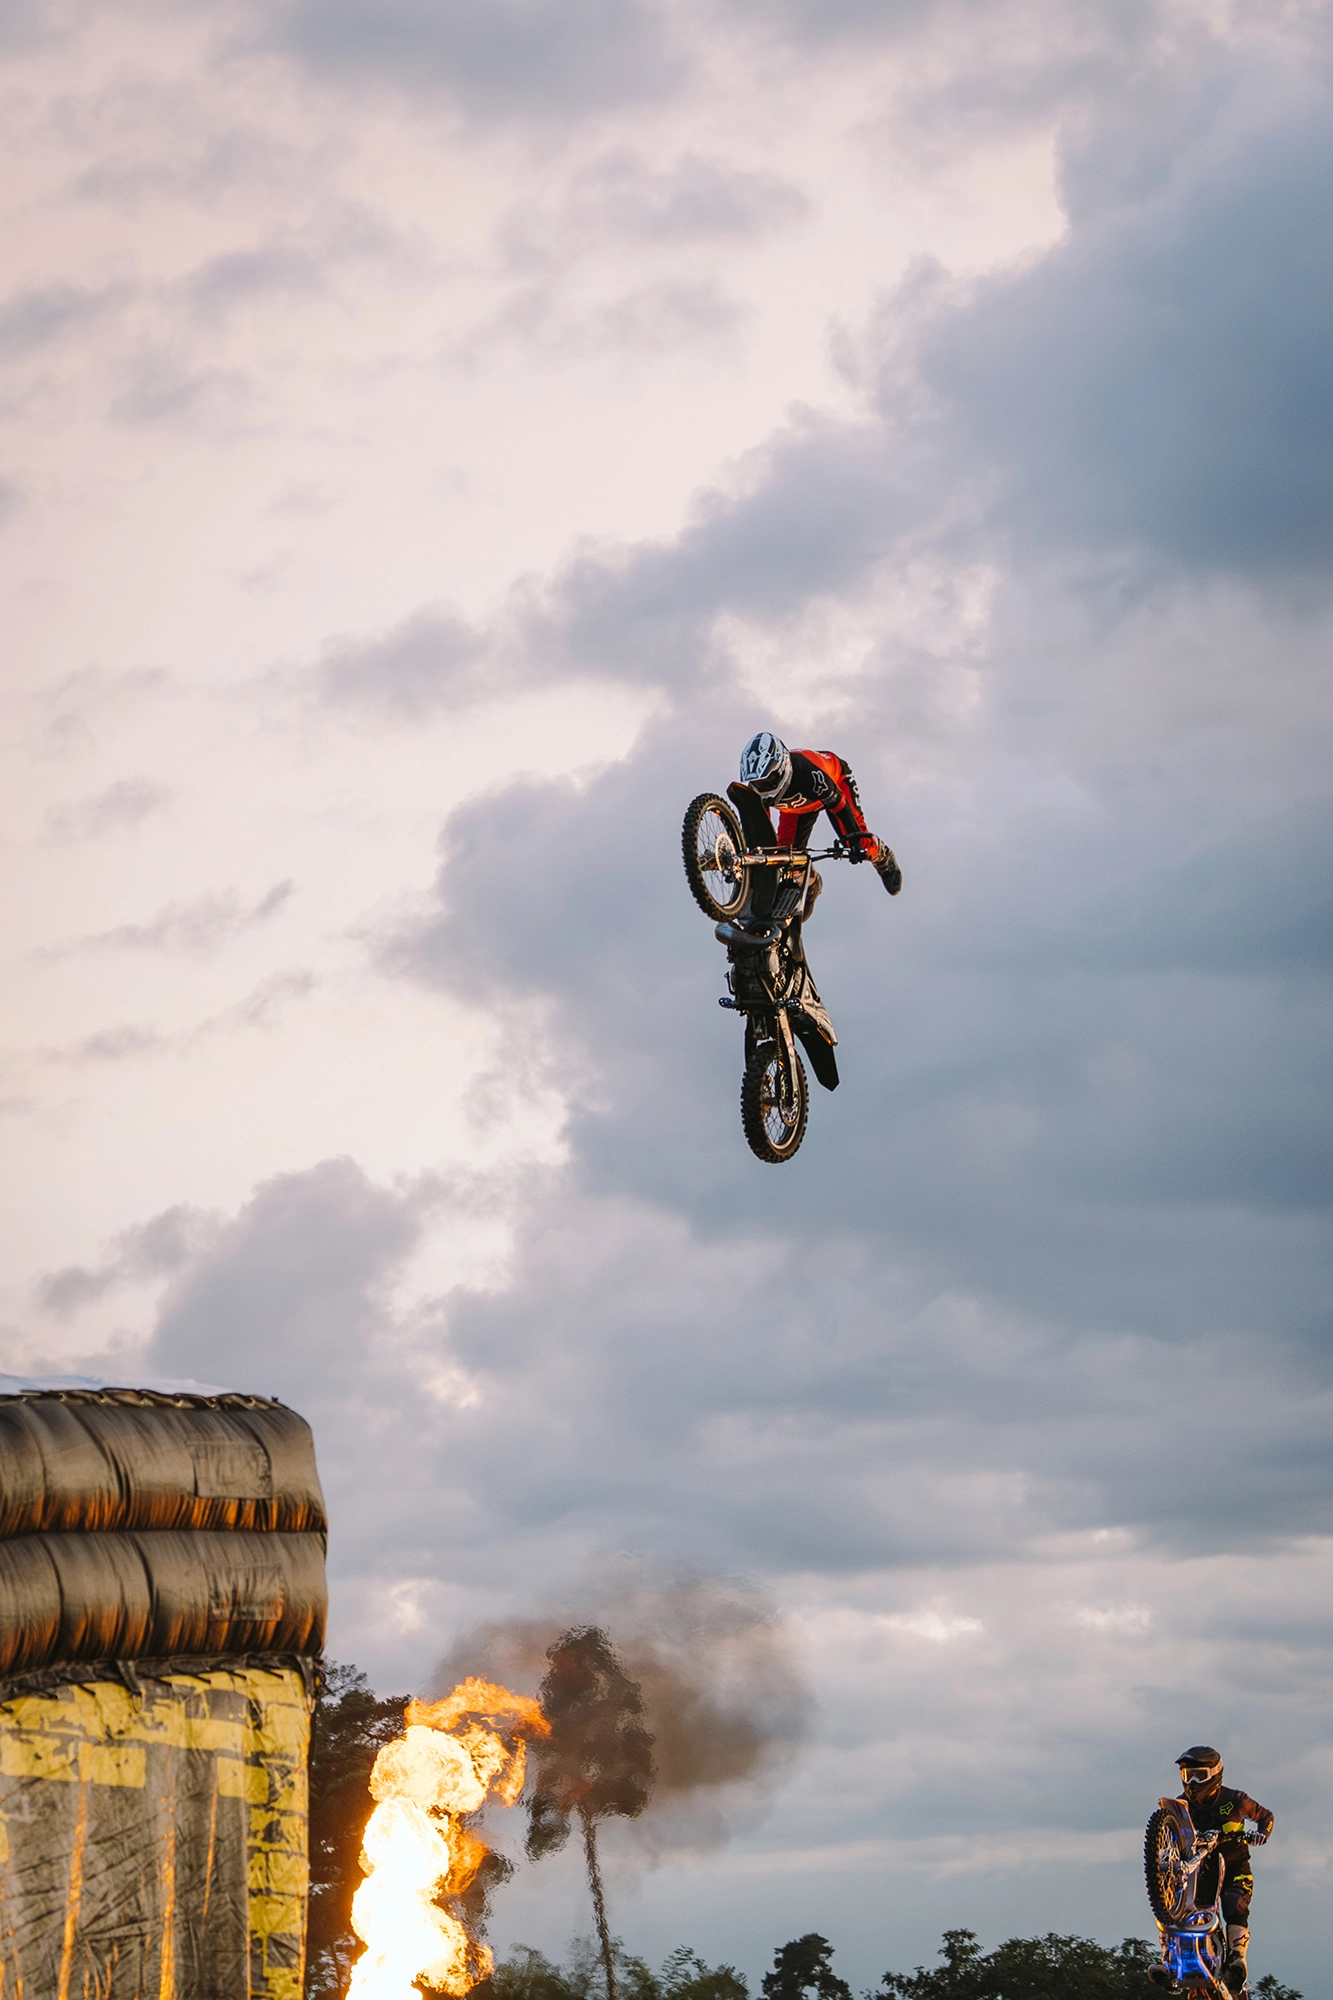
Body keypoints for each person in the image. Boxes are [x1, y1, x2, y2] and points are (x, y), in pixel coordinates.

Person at [729, 733, 902, 910]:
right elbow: (760, 828)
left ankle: (881, 855)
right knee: (787, 857)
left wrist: (855, 839)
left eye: (768, 780)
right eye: (758, 782)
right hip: (796, 807)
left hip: (836, 783)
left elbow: (838, 804)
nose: (764, 786)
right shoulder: (756, 790)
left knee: (858, 840)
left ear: (781, 769)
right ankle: (811, 882)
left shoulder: (809, 772)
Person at [1156, 1745, 1273, 1994]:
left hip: (1234, 1866)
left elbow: (1266, 1816)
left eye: (1199, 1775)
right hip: (1197, 1869)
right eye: (1188, 1775)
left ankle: (1238, 1959)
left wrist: (1261, 1834)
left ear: (1215, 1773)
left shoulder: (1236, 1800)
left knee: (1234, 1903)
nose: (1193, 1782)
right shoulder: (1181, 1805)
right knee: (1170, 1903)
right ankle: (1168, 1960)